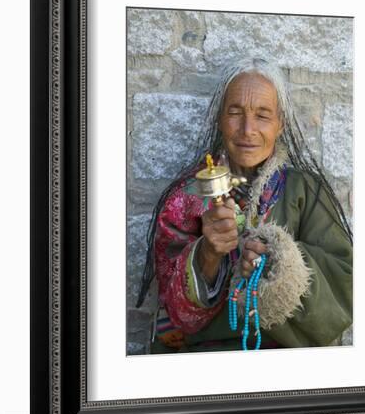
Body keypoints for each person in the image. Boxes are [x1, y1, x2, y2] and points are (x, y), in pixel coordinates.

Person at [136, 57, 353, 352]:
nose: (247, 129)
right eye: (235, 112)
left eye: (263, 115)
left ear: (280, 124)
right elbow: (173, 308)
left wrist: (277, 260)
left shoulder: (306, 192)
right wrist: (208, 254)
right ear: (220, 120)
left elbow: (345, 283)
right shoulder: (185, 198)